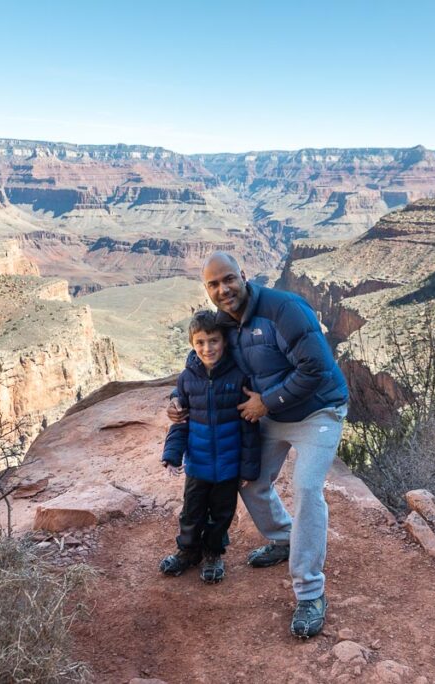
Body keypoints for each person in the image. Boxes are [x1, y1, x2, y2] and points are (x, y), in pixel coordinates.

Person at [170, 252, 349, 638]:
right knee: (250, 479)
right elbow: (199, 357)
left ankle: (310, 592)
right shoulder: (225, 322)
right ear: (207, 289)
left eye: (228, 279)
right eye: (214, 285)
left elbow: (316, 368)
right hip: (271, 414)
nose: (223, 289)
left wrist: (265, 402)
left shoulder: (284, 309)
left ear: (244, 276)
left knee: (305, 488)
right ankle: (286, 538)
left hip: (319, 411)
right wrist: (177, 397)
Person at [160, 310, 260, 583]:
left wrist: (248, 469)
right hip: (198, 464)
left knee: (221, 514)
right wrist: (172, 455)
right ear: (192, 344)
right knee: (191, 512)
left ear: (224, 341)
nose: (208, 348)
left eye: (213, 340)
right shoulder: (187, 379)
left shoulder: (239, 376)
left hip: (228, 466)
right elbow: (181, 421)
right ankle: (188, 551)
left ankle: (214, 554)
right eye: (200, 342)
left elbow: (249, 426)